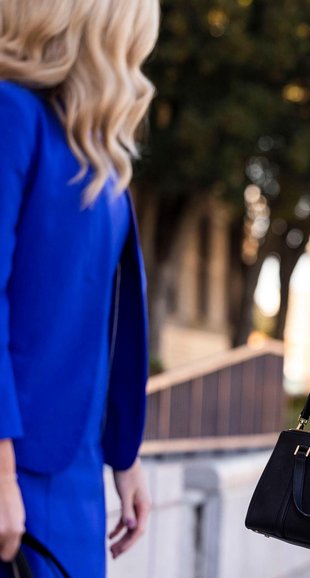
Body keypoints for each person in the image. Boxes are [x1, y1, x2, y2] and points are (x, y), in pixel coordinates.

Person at [0, 0, 159, 575]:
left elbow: (108, 319)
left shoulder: (98, 151)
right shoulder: (11, 114)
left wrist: (125, 455)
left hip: (77, 469)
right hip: (14, 463)